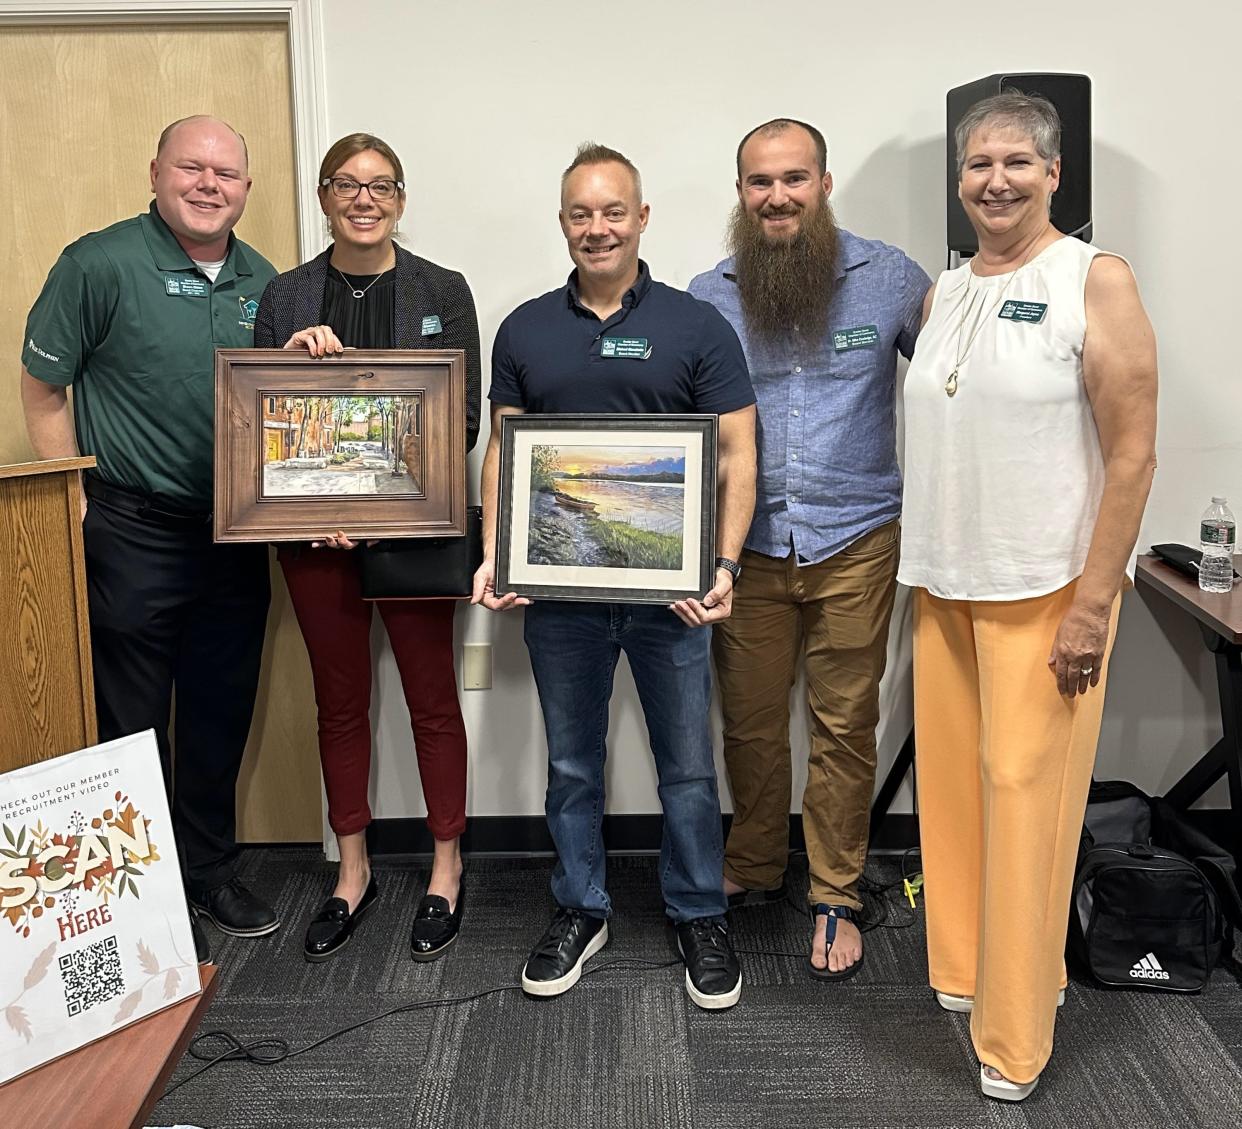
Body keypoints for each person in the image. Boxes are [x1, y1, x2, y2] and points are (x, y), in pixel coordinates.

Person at [900, 91, 1157, 1100]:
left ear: (1055, 174)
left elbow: (1133, 453)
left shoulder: (1094, 279)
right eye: (978, 166)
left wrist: (1095, 604)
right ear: (960, 182)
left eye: (1017, 162)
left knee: (1026, 803)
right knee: (957, 800)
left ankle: (1018, 1034)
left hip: (1048, 590)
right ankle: (964, 973)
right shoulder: (945, 292)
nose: (996, 180)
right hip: (947, 582)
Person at [472, 143, 757, 1010]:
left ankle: (699, 911)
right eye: (579, 213)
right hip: (560, 603)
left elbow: (738, 452)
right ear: (564, 223)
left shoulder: (696, 324)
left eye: (611, 211)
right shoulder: (524, 327)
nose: (596, 227)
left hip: (671, 600)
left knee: (688, 770)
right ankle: (579, 908)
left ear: (641, 218)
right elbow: (504, 453)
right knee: (571, 764)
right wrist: (498, 549)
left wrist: (724, 562)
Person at [20, 115, 280, 963]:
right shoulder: (99, 262)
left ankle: (208, 867)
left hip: (236, 532)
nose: (209, 184)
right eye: (191, 167)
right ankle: (138, 888)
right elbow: (44, 385)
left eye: (227, 173)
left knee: (219, 705)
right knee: (129, 718)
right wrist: (71, 499)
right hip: (129, 524)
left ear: (246, 189)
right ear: (157, 172)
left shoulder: (264, 282)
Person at [688, 118, 930, 981]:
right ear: (741, 194)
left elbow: (955, 378)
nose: (778, 195)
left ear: (824, 184)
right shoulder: (706, 294)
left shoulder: (892, 279)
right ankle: (754, 864)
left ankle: (835, 888)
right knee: (750, 724)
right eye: (760, 182)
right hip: (744, 547)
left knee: (844, 726)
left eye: (795, 178)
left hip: (857, 538)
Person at [254, 133, 480, 963]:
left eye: (380, 185)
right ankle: (353, 871)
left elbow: (458, 422)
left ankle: (446, 865)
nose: (363, 198)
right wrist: (281, 365)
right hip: (313, 540)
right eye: (346, 184)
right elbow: (258, 420)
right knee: (339, 701)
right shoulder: (284, 296)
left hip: (414, 532)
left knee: (432, 698)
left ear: (401, 198)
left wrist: (373, 506)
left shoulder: (444, 291)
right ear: (323, 197)